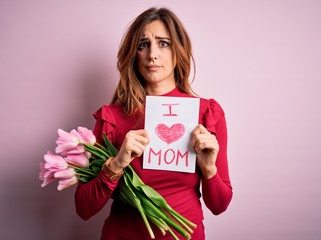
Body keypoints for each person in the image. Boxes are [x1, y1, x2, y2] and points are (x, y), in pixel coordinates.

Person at [75, 7, 233, 240]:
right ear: (134, 53)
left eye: (163, 43)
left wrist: (209, 169)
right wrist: (117, 164)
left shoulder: (207, 114)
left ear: (179, 50)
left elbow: (219, 205)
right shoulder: (111, 118)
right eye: (143, 45)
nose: (152, 54)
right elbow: (83, 208)